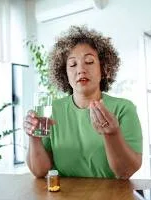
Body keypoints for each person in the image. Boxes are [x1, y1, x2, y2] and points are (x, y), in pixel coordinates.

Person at [23, 25, 142, 179]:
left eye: (89, 61)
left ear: (104, 69)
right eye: (73, 64)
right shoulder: (53, 110)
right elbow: (40, 172)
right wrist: (34, 137)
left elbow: (125, 172)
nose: (80, 70)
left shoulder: (123, 108)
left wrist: (112, 134)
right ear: (64, 73)